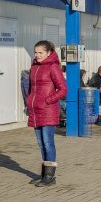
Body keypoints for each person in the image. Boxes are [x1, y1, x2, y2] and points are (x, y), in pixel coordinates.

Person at [27, 40, 68, 187]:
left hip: (48, 110)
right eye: (36, 52)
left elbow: (63, 89)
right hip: (35, 110)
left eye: (41, 53)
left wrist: (48, 100)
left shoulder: (53, 67)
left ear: (49, 52)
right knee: (41, 143)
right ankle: (45, 174)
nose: (38, 55)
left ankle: (50, 177)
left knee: (48, 142)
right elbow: (32, 88)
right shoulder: (34, 67)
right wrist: (29, 101)